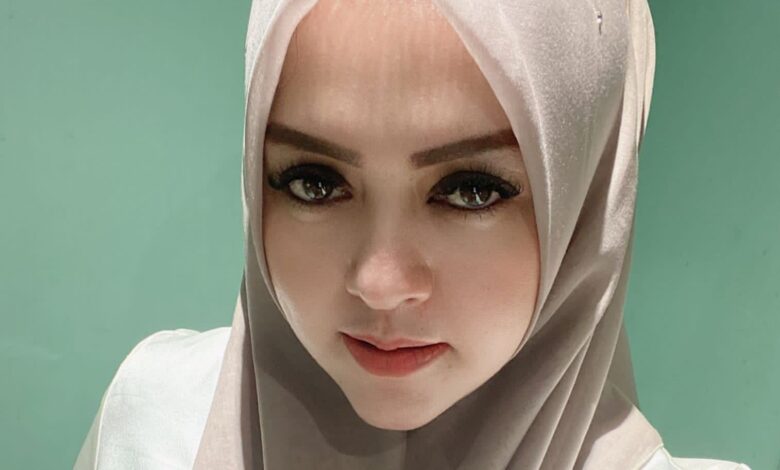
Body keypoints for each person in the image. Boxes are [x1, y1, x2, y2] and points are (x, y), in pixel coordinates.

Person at [74, 0, 752, 469]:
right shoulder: (152, 423)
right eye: (314, 182)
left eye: (471, 190)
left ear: (585, 200)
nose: (379, 282)